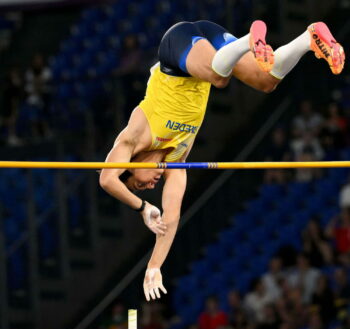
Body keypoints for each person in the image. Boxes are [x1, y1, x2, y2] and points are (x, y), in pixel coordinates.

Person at [99, 19, 345, 301]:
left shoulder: (134, 135)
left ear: (131, 166)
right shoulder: (178, 161)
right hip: (211, 52)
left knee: (219, 78)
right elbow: (172, 217)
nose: (149, 186)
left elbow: (106, 178)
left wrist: (142, 207)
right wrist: (154, 266)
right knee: (266, 81)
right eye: (144, 191)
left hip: (177, 49)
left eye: (139, 185)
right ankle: (309, 38)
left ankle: (249, 40)